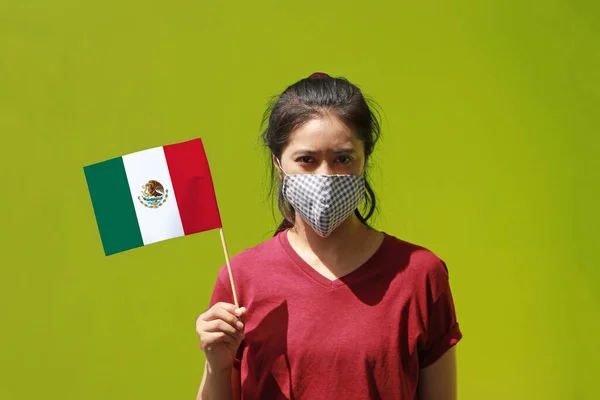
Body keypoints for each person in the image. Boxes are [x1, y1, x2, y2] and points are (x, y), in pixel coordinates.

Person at [195, 73, 463, 400]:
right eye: (307, 160)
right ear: (278, 163)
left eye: (343, 159)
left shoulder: (420, 274)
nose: (326, 176)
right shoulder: (241, 278)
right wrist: (217, 366)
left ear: (366, 159)